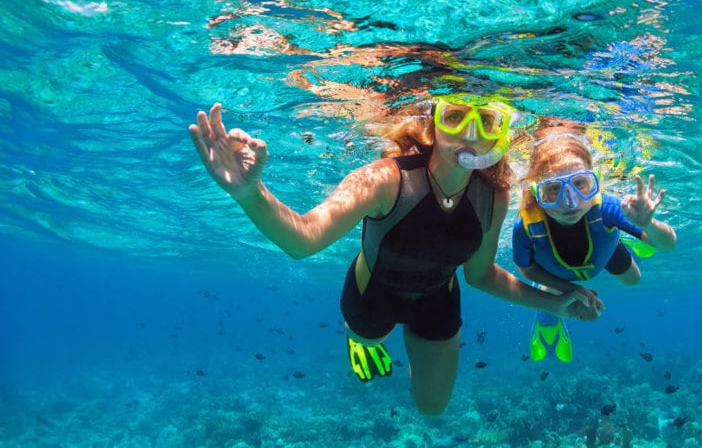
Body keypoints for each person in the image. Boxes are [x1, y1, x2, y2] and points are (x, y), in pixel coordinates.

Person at [188, 95, 599, 416]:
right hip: (373, 293)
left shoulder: (495, 193)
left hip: (438, 297)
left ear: (499, 134)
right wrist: (248, 193)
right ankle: (361, 340)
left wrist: (557, 303)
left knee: (432, 408)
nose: (471, 134)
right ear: (433, 124)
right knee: (368, 337)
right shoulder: (386, 178)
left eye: (487, 121)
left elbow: (480, 275)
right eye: (455, 117)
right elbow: (304, 239)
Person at [512, 124, 677, 362]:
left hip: (604, 250)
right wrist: (573, 290)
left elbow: (669, 244)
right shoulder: (527, 226)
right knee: (553, 296)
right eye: (553, 190)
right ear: (537, 193)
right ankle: (548, 320)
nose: (570, 203)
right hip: (555, 271)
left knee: (634, 280)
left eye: (580, 184)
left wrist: (648, 224)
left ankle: (634, 235)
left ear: (596, 181)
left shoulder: (608, 208)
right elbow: (526, 269)